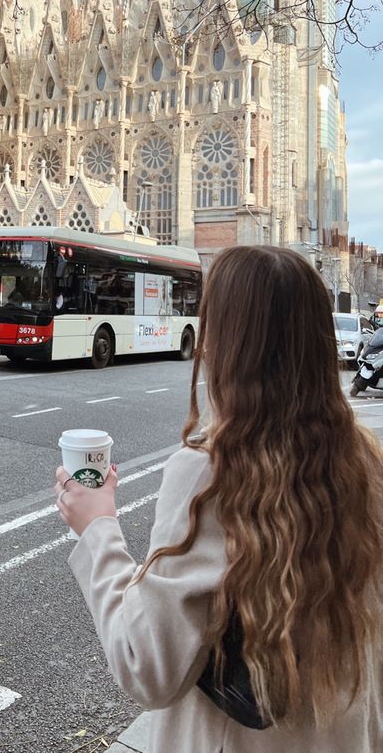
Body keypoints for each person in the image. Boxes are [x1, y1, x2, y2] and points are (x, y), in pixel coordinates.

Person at [54, 246, 383, 752]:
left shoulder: (210, 470)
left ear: (227, 344)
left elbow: (148, 667)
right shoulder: (366, 459)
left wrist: (98, 527)